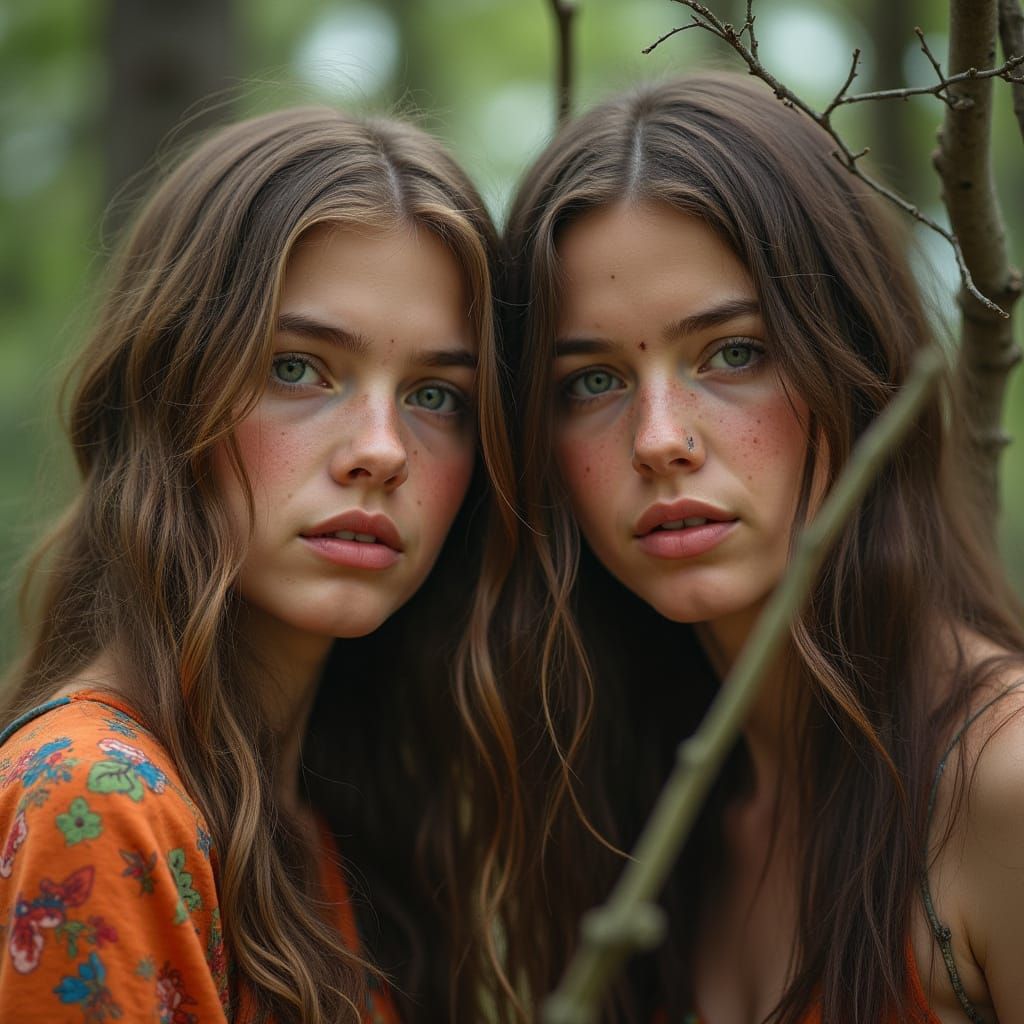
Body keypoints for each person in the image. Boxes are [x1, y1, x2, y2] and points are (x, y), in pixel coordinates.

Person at [500, 72, 1024, 1023]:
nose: (660, 438)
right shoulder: (619, 808)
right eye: (591, 381)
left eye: (733, 352)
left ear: (858, 369)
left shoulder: (1003, 785)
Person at [0, 106, 520, 1023]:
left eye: (437, 395)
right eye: (298, 368)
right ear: (168, 390)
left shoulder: (339, 821)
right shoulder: (99, 798)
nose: (381, 450)